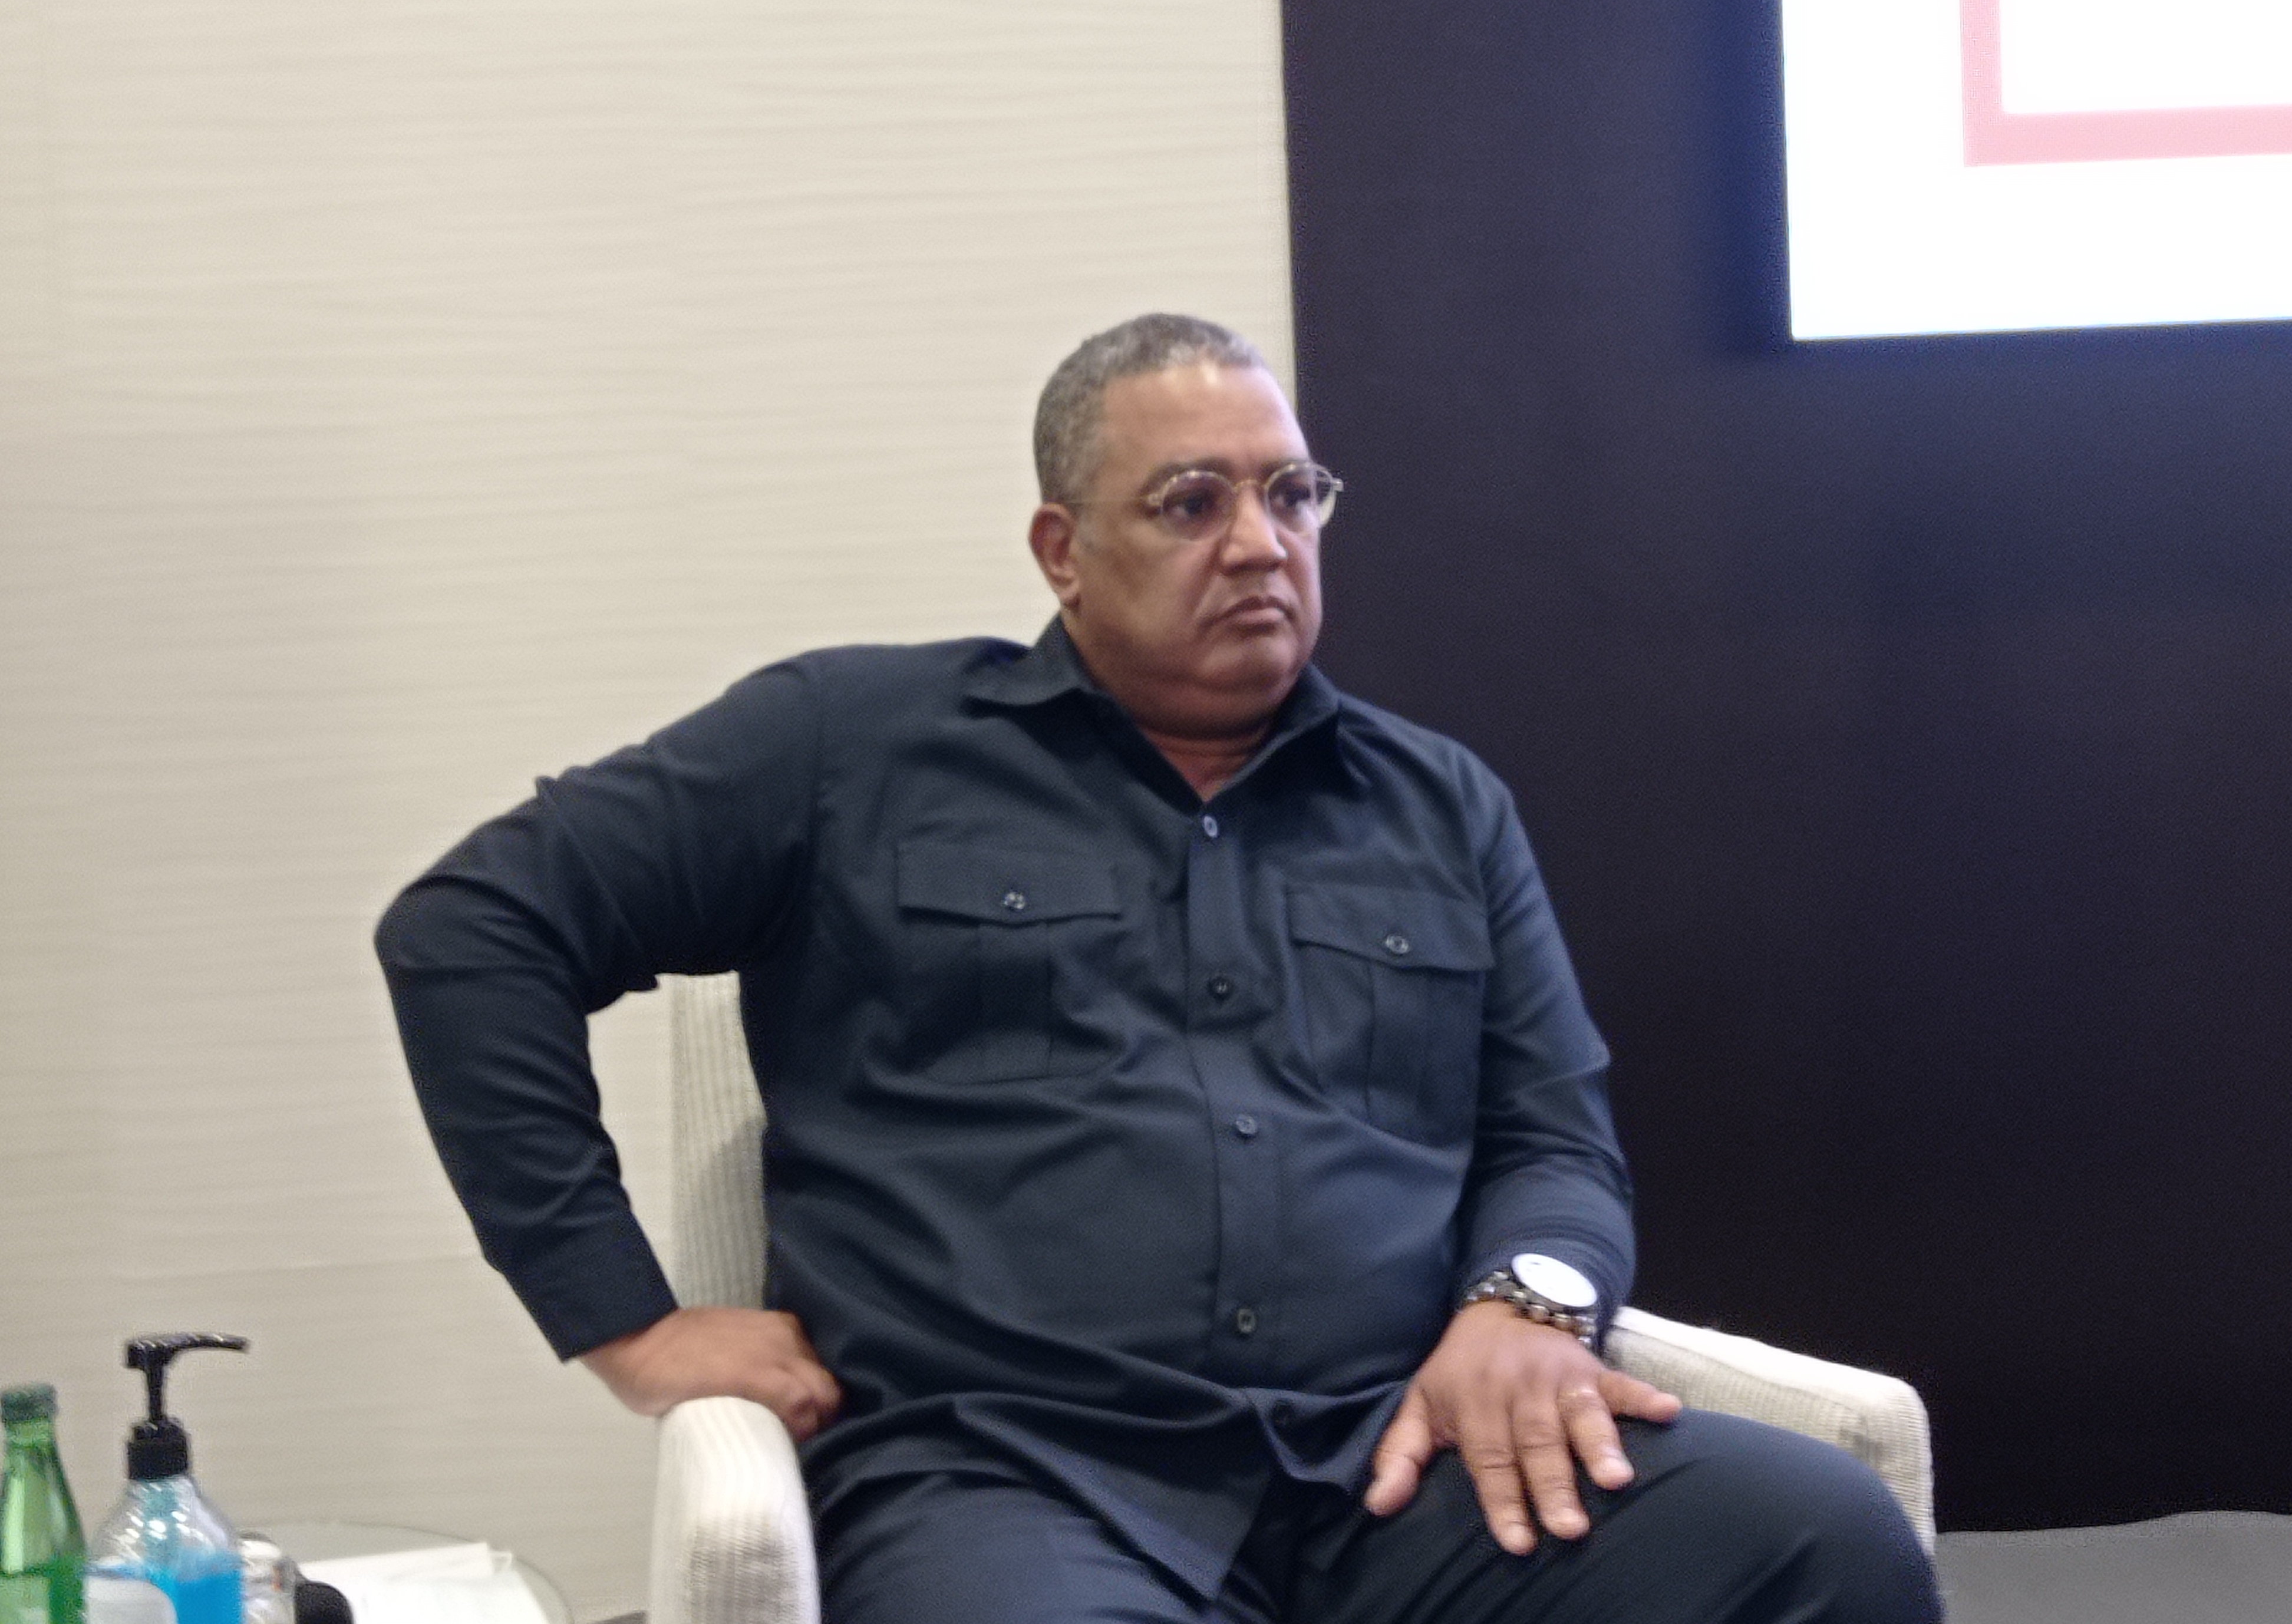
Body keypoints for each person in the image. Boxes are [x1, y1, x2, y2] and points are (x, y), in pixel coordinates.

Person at [377, 315, 1938, 1623]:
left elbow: (1553, 1137)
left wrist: (1525, 1309)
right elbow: (475, 926)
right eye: (1193, 503)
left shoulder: (1437, 803)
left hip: (1395, 1463)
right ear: (1063, 551)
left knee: (1819, 1539)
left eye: (1292, 494)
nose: (1260, 543)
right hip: (1011, 1478)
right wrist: (630, 1322)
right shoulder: (851, 750)